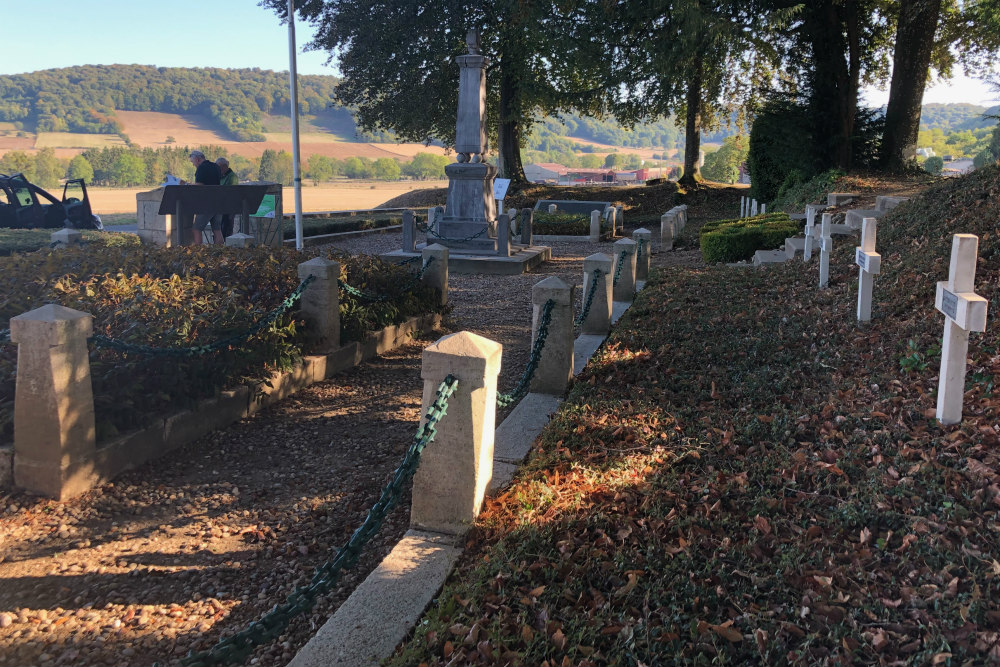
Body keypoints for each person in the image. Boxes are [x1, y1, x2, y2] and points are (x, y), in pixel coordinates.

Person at [186, 150, 222, 245]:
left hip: (207, 202)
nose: (193, 165)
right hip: (219, 201)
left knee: (196, 229)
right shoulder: (216, 166)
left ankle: (199, 252)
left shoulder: (201, 168)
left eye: (192, 162)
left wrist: (186, 184)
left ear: (197, 159)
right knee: (217, 229)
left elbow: (199, 185)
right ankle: (220, 251)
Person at [216, 157, 238, 239]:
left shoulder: (232, 177)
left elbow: (229, 192)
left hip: (229, 208)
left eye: (218, 167)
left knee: (226, 230)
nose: (217, 170)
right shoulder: (221, 176)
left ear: (224, 166)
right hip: (221, 207)